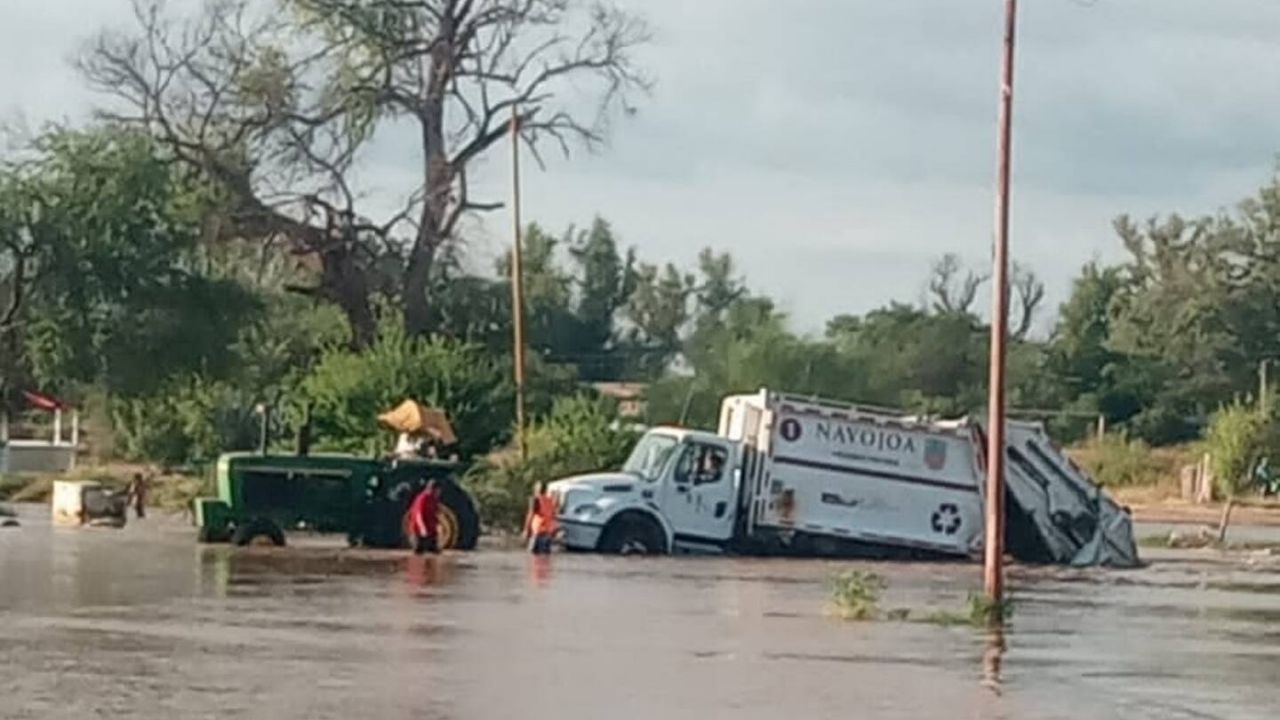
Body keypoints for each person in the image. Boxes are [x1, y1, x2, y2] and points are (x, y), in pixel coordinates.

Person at [522, 481, 559, 555]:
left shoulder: (535, 499)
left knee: (533, 557)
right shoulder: (550, 501)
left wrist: (526, 529)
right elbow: (553, 516)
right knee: (545, 558)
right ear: (545, 490)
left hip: (538, 533)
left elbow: (531, 514)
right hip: (548, 534)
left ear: (536, 489)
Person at [407, 480, 440, 554]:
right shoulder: (423, 498)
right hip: (418, 532)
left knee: (435, 553)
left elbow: (434, 514)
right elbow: (419, 515)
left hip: (431, 532)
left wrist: (438, 526)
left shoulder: (434, 499)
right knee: (419, 553)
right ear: (433, 489)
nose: (438, 493)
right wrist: (422, 528)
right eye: (437, 491)